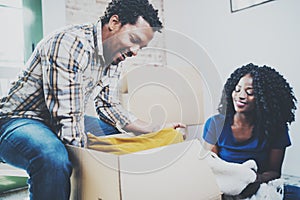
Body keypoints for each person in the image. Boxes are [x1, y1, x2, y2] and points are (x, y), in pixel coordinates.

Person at [0, 0, 185, 199]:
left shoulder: (113, 56)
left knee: (114, 136)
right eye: (133, 39)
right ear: (114, 23)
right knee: (52, 156)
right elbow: (67, 121)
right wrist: (92, 159)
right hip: (17, 120)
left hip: (54, 121)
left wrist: (153, 129)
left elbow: (108, 106)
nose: (134, 52)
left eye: (141, 47)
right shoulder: (70, 44)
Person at [202, 63, 300, 199]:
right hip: (225, 186)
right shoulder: (215, 124)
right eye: (237, 89)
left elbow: (274, 171)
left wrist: (253, 180)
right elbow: (211, 166)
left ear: (263, 98)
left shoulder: (276, 128)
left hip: (258, 184)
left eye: (250, 92)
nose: (241, 96)